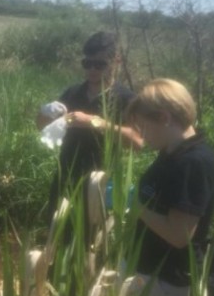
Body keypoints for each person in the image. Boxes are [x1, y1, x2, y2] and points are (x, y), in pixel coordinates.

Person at [115, 78, 214, 296]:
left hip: (162, 281)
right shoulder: (171, 152)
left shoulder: (193, 163)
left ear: (163, 118)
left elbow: (179, 234)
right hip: (145, 269)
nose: (140, 135)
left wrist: (133, 205)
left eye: (142, 127)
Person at [37, 31, 143, 225]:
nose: (92, 69)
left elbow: (137, 142)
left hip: (100, 183)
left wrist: (96, 122)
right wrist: (45, 112)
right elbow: (41, 127)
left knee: (91, 243)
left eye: (100, 64)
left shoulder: (126, 99)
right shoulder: (73, 93)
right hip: (65, 178)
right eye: (87, 64)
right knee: (55, 235)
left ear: (116, 61)